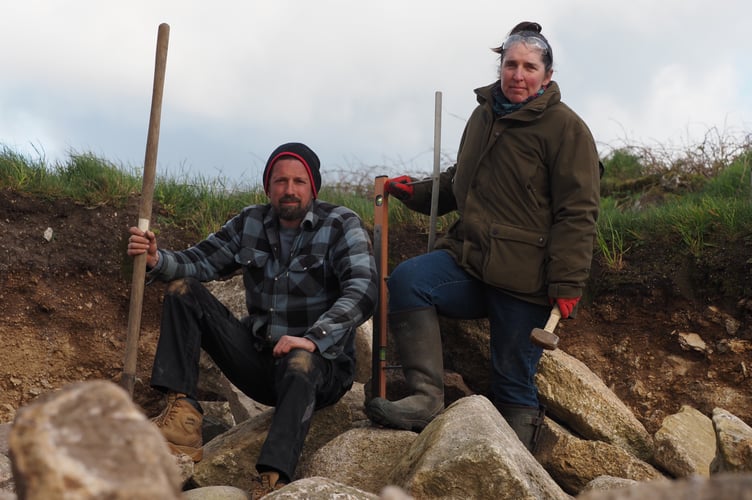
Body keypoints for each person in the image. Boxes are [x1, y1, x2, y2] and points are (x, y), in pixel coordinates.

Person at [364, 21, 601, 452]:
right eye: (511, 64)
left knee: (511, 383)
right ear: (500, 68)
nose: (518, 74)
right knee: (409, 281)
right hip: (470, 261)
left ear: (547, 76)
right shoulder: (483, 114)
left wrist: (567, 285)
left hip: (525, 280)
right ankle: (424, 399)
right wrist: (412, 191)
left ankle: (516, 472)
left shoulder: (567, 130)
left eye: (530, 66)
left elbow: (578, 212)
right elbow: (460, 183)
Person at [126, 142, 378, 497]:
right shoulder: (250, 222)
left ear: (313, 187)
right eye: (280, 181)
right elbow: (201, 261)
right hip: (261, 362)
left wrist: (313, 337)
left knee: (301, 360)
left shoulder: (341, 224)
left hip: (321, 368)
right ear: (268, 187)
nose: (289, 190)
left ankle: (272, 480)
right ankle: (183, 417)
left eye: (298, 181)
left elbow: (364, 290)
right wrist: (156, 258)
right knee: (183, 289)